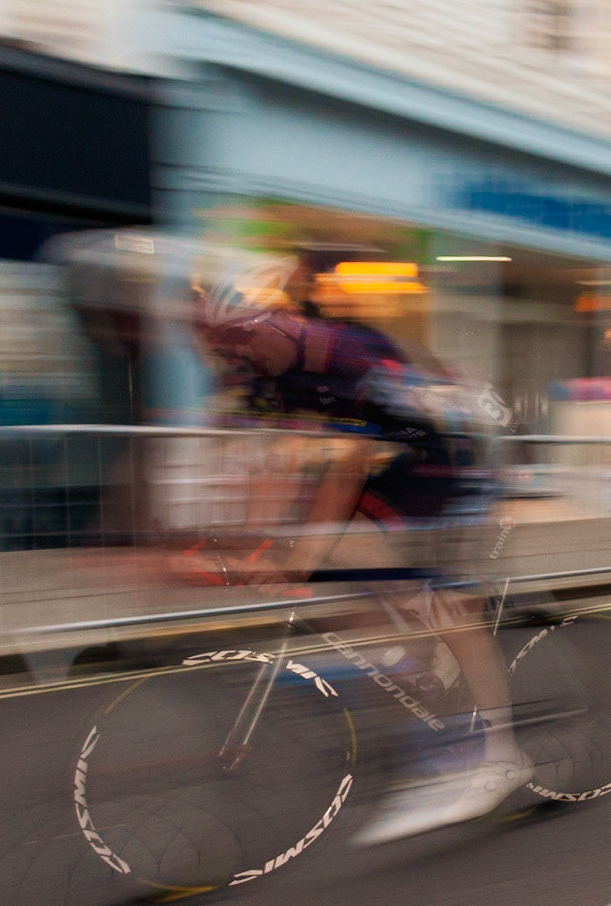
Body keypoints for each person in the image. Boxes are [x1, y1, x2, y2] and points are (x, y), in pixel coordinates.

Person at [194, 260, 534, 845]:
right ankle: (409, 671)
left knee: (444, 606)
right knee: (346, 570)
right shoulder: (253, 373)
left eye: (247, 337)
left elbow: (347, 464)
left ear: (280, 321)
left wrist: (297, 552)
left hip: (452, 458)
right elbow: (264, 464)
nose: (239, 353)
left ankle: (501, 754)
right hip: (396, 467)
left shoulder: (341, 353)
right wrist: (249, 541)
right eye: (224, 345)